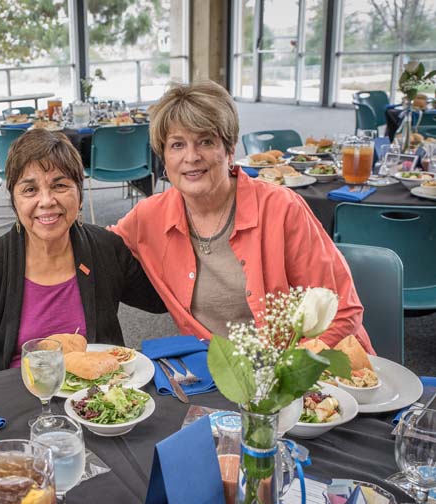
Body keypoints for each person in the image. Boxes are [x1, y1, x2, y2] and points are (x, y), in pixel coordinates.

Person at [110, 81, 373, 353]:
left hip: (308, 367)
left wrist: (288, 373)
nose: (191, 157)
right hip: (221, 376)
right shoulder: (149, 216)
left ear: (229, 148)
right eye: (177, 145)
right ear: (163, 155)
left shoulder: (281, 209)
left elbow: (343, 310)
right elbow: (97, 248)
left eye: (206, 141)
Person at [0, 129, 166, 381]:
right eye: (30, 190)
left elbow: (161, 299)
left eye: (59, 185)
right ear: (15, 201)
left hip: (92, 402)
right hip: (7, 402)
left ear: (79, 194)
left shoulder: (105, 249)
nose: (46, 201)